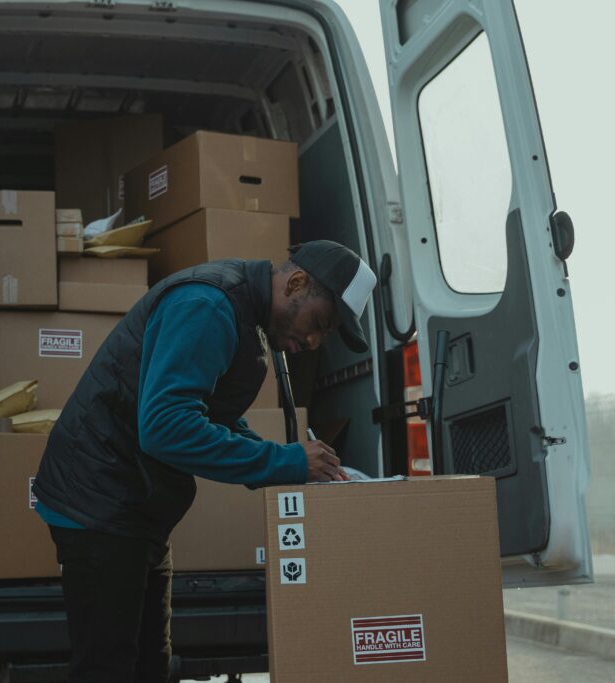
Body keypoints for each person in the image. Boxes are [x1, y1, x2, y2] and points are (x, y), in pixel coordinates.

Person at [32, 240, 377, 682]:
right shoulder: (209, 306)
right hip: (99, 503)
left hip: (135, 509)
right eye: (320, 323)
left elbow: (213, 415)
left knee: (150, 664)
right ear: (295, 282)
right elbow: (166, 426)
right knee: (109, 669)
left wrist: (288, 466)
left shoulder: (243, 315)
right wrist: (282, 461)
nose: (313, 341)